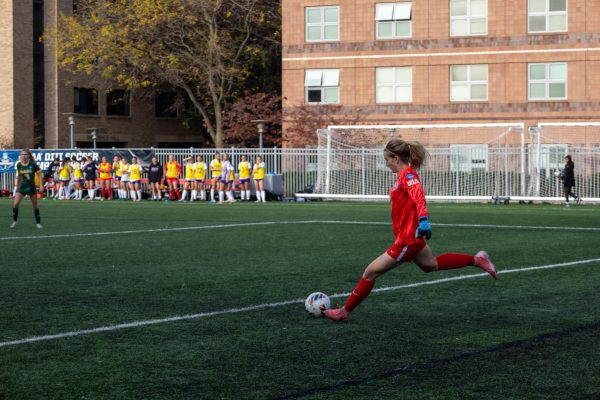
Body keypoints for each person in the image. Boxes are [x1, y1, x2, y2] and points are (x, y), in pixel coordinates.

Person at [323, 138, 498, 322]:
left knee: (370, 272)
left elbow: (419, 197)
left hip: (407, 239)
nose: (386, 164)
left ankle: (344, 312)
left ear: (396, 158)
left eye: (387, 160)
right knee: (430, 265)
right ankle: (477, 260)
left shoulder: (408, 176)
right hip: (410, 236)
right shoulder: (402, 176)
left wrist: (424, 220)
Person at [10, 149, 44, 229]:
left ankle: (38, 223)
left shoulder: (33, 164)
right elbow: (19, 176)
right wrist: (17, 186)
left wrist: (41, 185)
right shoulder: (19, 165)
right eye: (22, 154)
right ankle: (15, 221)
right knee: (15, 204)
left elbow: (40, 174)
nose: (23, 156)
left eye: (25, 154)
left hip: (32, 187)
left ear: (28, 155)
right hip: (22, 187)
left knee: (35, 206)